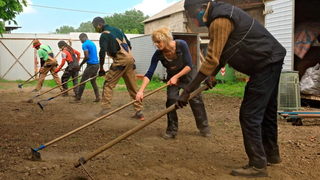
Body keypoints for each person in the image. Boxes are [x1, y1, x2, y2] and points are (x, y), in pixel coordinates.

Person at [176, 0, 287, 178]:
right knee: (266, 111)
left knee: (250, 114)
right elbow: (226, 49)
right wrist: (211, 75)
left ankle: (258, 165)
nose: (193, 20)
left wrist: (187, 91)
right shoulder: (222, 14)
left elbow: (212, 59)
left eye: (191, 14)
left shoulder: (220, 19)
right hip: (270, 59)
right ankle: (271, 155)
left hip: (264, 63)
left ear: (203, 7)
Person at [136, 26, 211, 139]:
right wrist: (141, 91)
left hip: (188, 76)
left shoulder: (181, 45)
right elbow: (149, 73)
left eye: (158, 41)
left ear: (166, 39)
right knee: (171, 101)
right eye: (155, 42)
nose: (156, 44)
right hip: (173, 79)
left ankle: (204, 128)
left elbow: (189, 65)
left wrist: (176, 76)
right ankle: (171, 130)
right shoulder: (158, 54)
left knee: (196, 100)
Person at [92, 16, 144, 120]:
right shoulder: (118, 30)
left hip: (120, 61)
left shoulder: (104, 35)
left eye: (95, 27)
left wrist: (101, 68)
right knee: (133, 87)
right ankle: (139, 112)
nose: (95, 29)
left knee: (108, 85)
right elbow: (129, 45)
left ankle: (105, 110)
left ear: (100, 25)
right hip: (130, 59)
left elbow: (102, 52)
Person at [70, 33, 100, 103]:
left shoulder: (85, 44)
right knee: (93, 81)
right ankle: (98, 97)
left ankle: (78, 98)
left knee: (82, 81)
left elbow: (87, 57)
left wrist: (80, 65)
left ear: (84, 37)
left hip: (91, 65)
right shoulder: (91, 43)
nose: (80, 41)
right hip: (96, 64)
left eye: (81, 39)